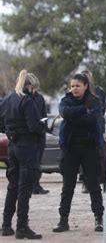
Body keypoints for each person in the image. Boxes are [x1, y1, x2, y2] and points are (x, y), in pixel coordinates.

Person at [53, 73, 104, 233]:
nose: (74, 89)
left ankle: (99, 219)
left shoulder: (94, 101)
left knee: (94, 186)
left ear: (86, 86)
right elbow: (64, 113)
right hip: (70, 149)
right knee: (67, 186)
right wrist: (83, 110)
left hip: (90, 148)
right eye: (72, 86)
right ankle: (63, 220)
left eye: (77, 86)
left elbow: (93, 119)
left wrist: (73, 116)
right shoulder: (65, 100)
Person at [0, 70, 45, 239]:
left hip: (13, 146)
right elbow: (34, 126)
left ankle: (5, 225)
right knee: (25, 189)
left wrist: (11, 131)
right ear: (29, 86)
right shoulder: (27, 101)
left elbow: (1, 124)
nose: (35, 91)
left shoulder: (7, 100)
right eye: (34, 88)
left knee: (12, 186)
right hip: (27, 147)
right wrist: (42, 127)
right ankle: (22, 227)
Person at [80, 70, 106, 194]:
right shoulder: (79, 93)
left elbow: (103, 109)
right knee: (85, 159)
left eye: (88, 77)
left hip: (98, 131)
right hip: (84, 131)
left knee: (102, 158)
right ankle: (86, 184)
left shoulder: (99, 92)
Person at [30, 76, 50, 195]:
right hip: (30, 135)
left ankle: (36, 185)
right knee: (30, 163)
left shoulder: (39, 98)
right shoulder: (24, 98)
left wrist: (44, 127)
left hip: (40, 135)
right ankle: (30, 185)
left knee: (38, 162)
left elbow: (44, 114)